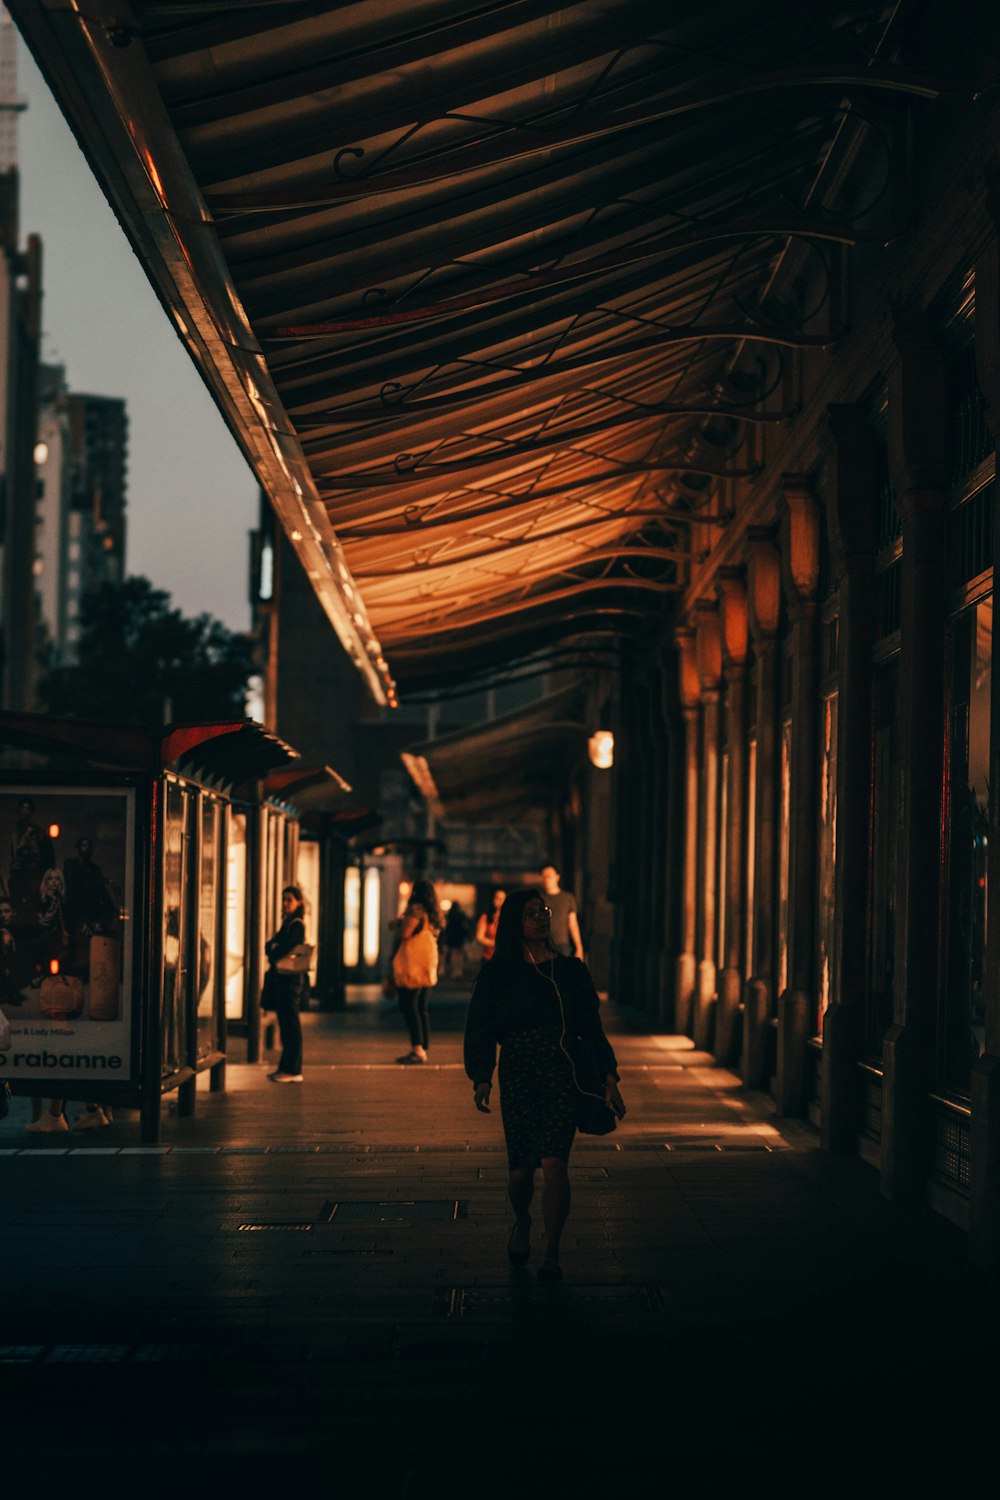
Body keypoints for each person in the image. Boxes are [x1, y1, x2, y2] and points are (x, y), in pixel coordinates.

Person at [464, 887, 625, 1282]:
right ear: (515, 922)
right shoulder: (499, 972)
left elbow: (591, 1027)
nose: (541, 917)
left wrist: (609, 1074)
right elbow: (481, 1024)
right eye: (531, 912)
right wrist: (482, 1075)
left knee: (555, 1161)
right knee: (521, 1169)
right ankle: (522, 1221)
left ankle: (551, 1252)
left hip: (561, 1072)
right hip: (519, 1070)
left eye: (544, 911)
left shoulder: (570, 971)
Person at [392, 877, 442, 1064]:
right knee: (421, 1006)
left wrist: (397, 925)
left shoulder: (416, 910)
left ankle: (417, 1048)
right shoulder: (434, 914)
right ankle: (423, 1046)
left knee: (409, 1006)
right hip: (427, 963)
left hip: (413, 965)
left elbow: (405, 933)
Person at [262, 885, 308, 1083]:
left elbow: (280, 948)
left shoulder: (297, 925)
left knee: (290, 1023)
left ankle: (293, 1069)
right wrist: (274, 947)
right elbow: (270, 945)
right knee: (286, 1023)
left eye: (289, 899)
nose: (286, 903)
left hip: (290, 980)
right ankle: (286, 1067)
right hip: (284, 979)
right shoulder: (288, 923)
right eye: (284, 900)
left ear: (299, 902)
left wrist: (274, 948)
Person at [540, 864, 583, 959]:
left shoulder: (567, 898)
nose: (546, 879)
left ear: (557, 877)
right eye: (544, 876)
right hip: (543, 944)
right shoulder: (539, 899)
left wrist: (579, 947)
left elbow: (572, 923)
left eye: (549, 876)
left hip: (562, 945)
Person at [474, 888, 506, 963]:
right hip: (489, 957)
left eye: (503, 898)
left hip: (506, 958)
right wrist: (496, 944)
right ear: (493, 900)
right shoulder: (486, 917)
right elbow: (479, 937)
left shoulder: (510, 917)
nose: (501, 901)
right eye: (498, 898)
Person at [441, 901, 471, 979]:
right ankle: (458, 970)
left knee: (454, 955)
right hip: (459, 938)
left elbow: (446, 927)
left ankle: (455, 971)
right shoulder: (461, 915)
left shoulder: (450, 915)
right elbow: (465, 927)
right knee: (459, 955)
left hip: (452, 937)